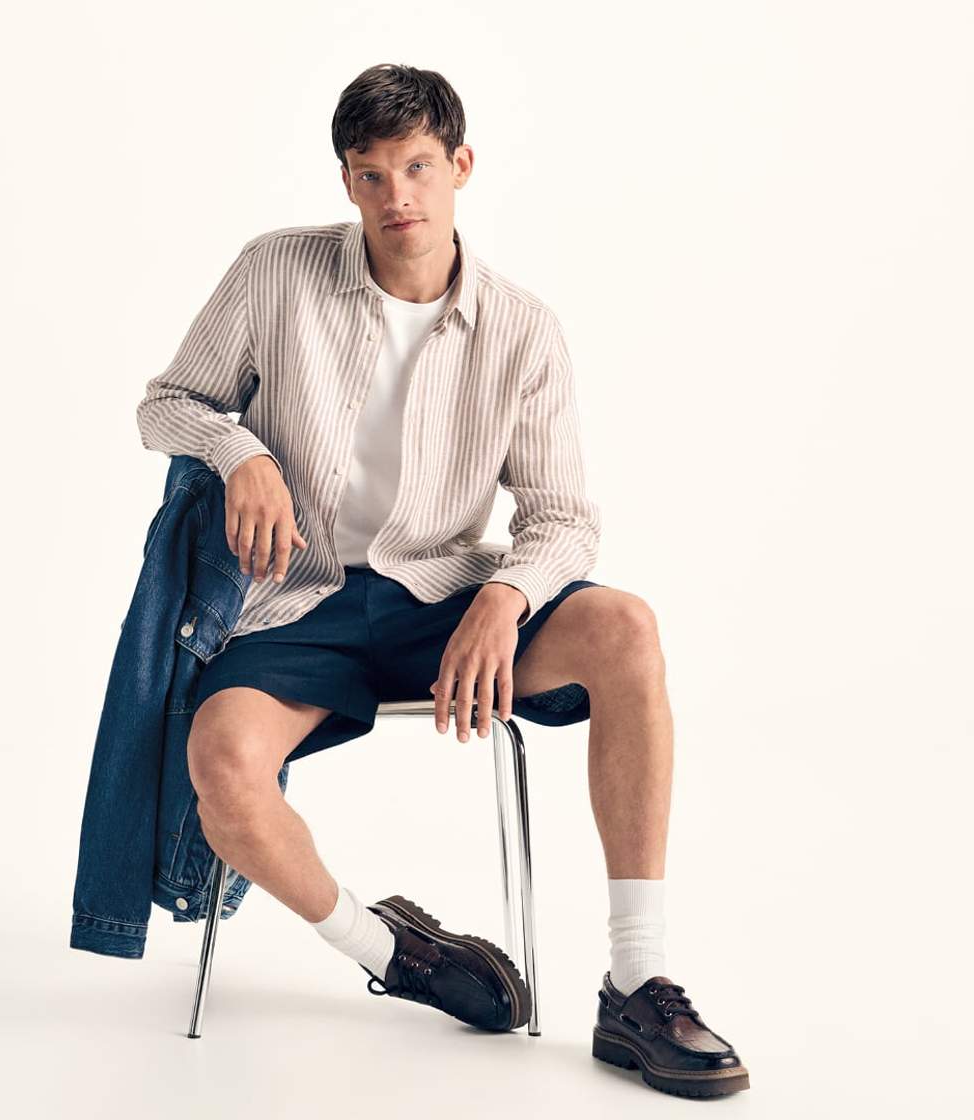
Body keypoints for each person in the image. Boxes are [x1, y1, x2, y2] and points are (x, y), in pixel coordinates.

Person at [135, 63, 748, 1098]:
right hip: (300, 600)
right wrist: (241, 451)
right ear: (347, 181)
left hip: (444, 597)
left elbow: (562, 516)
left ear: (461, 165)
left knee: (627, 629)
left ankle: (635, 982)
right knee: (222, 763)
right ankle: (394, 951)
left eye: (417, 167)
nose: (397, 198)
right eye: (371, 174)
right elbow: (166, 403)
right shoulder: (273, 273)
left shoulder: (523, 327)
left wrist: (506, 597)